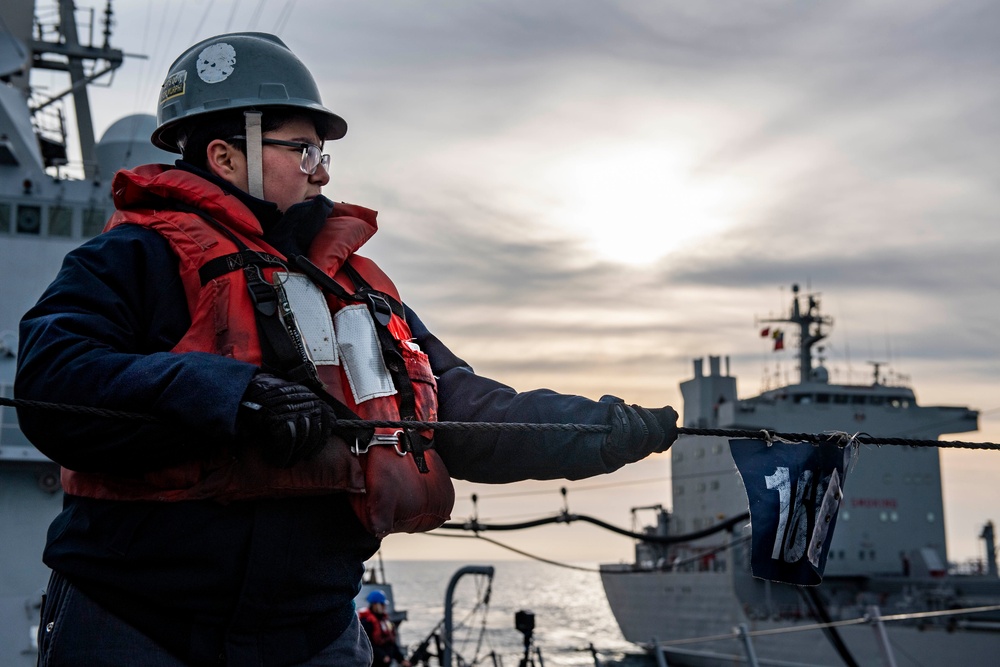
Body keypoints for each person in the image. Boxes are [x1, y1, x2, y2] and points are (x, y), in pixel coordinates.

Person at [15, 33, 677, 667]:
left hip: (314, 634)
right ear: (224, 155)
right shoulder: (135, 256)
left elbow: (461, 409)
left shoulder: (356, 285)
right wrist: (235, 396)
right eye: (302, 150)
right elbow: (53, 378)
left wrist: (595, 431)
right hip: (135, 627)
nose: (323, 169)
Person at [358, 591, 410, 667]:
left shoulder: (385, 620)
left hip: (386, 663)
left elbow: (391, 642)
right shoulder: (366, 622)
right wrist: (382, 656)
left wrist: (401, 659)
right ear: (374, 605)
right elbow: (367, 644)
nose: (384, 607)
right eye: (382, 604)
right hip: (375, 663)